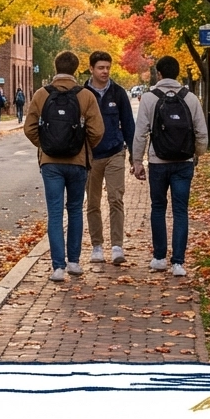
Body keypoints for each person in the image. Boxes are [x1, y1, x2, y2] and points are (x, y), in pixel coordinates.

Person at [24, 51, 104, 281]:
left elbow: (29, 128)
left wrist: (46, 145)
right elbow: (97, 131)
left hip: (50, 164)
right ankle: (75, 262)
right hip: (78, 163)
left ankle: (58, 267)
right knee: (76, 209)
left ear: (55, 67)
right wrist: (82, 146)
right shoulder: (86, 96)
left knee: (55, 213)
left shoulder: (41, 94)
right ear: (77, 69)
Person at [131, 55, 208, 276]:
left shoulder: (149, 98)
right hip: (183, 162)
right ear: (176, 73)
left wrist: (137, 162)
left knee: (158, 207)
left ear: (159, 74)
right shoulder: (190, 98)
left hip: (158, 162)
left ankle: (159, 258)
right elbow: (201, 132)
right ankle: (178, 263)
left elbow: (141, 133)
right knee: (180, 210)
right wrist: (197, 154)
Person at [83, 50, 136, 265]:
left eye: (107, 67)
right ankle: (97, 246)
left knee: (116, 198)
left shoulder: (118, 93)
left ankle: (117, 246)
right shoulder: (83, 93)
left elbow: (129, 124)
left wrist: (134, 155)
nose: (105, 71)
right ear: (91, 69)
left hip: (115, 152)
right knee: (93, 203)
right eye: (100, 68)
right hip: (91, 156)